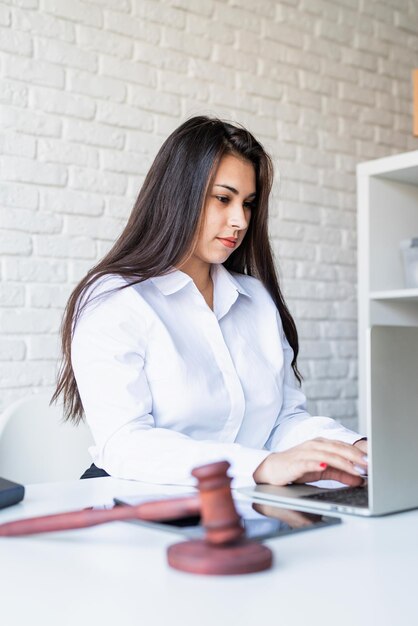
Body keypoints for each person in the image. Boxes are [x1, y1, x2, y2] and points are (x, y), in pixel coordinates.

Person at [53, 115, 367, 488]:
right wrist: (261, 467)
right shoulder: (115, 300)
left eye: (248, 204)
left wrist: (355, 449)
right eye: (223, 198)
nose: (240, 221)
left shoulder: (256, 301)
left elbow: (283, 421)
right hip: (137, 501)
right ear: (178, 194)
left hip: (240, 502)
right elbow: (125, 443)